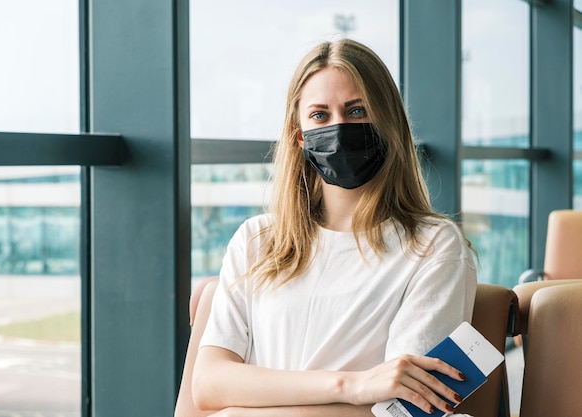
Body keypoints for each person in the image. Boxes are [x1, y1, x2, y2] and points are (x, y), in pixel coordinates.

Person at [190, 38, 477, 416]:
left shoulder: (432, 245)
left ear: (389, 124)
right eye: (320, 115)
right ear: (299, 136)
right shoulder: (256, 239)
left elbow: (404, 408)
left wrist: (242, 408)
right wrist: (353, 385)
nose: (340, 128)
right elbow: (209, 384)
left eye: (357, 110)